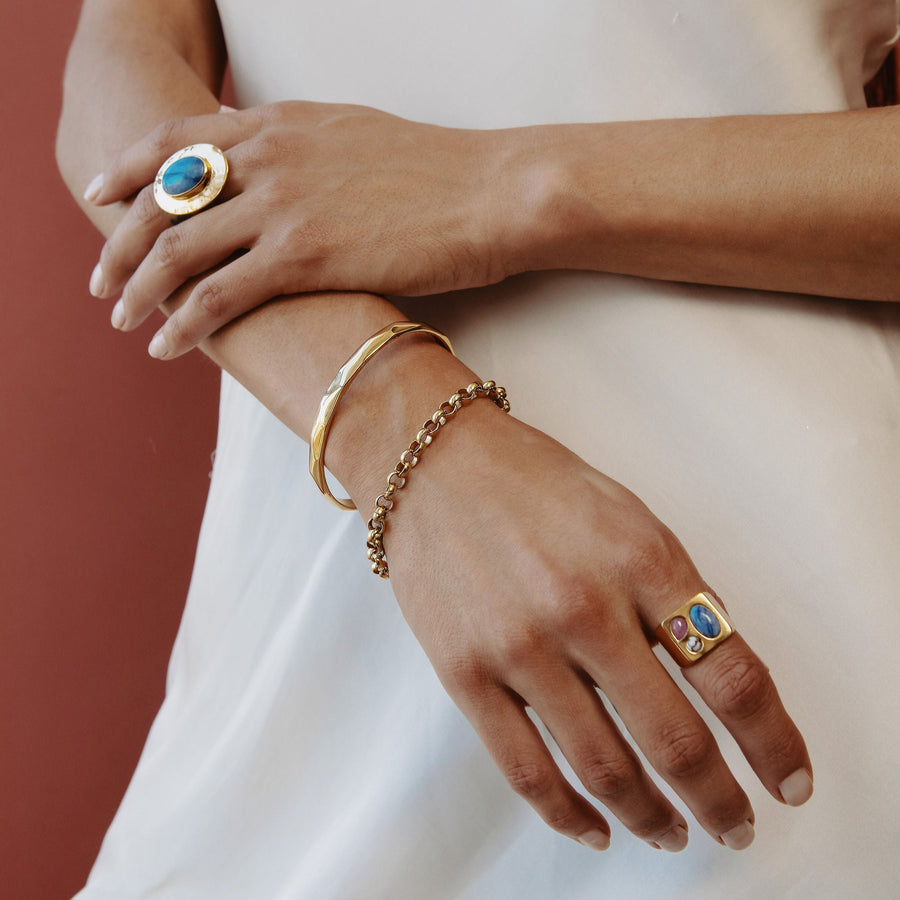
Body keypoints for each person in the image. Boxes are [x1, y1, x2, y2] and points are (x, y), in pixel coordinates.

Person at [57, 0, 900, 897]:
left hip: (777, 589)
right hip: (335, 600)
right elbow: (121, 85)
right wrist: (400, 426)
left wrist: (496, 184)